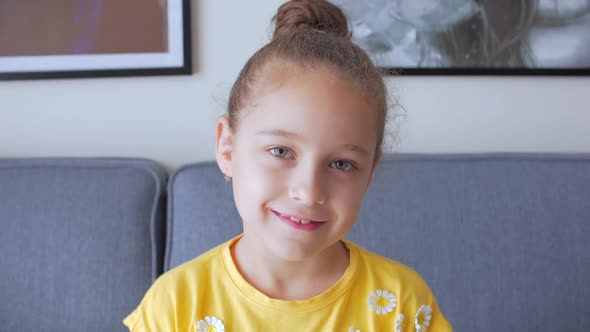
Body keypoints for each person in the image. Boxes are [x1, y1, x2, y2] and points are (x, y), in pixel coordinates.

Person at [123, 0, 453, 331]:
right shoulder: (174, 305)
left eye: (341, 163)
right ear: (227, 147)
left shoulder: (402, 303)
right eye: (281, 151)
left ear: (370, 171)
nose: (309, 192)